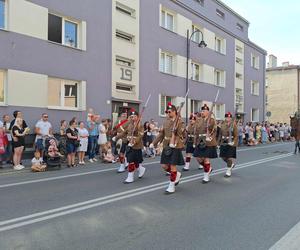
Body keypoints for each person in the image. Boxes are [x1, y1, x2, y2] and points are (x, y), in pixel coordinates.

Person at [151, 102, 184, 194]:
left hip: (175, 146)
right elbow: (162, 134)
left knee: (173, 166)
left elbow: (180, 135)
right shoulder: (166, 121)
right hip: (166, 145)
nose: (168, 114)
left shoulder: (180, 122)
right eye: (167, 112)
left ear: (174, 112)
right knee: (164, 166)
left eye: (170, 112)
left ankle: (171, 185)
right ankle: (177, 174)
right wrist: (154, 143)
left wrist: (175, 141)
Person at [113, 109, 145, 184]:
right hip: (129, 145)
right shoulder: (130, 125)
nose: (133, 117)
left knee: (136, 162)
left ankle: (138, 171)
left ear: (137, 117)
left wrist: (134, 141)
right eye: (131, 116)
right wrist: (116, 137)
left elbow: (140, 135)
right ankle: (130, 176)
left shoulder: (140, 125)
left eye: (134, 116)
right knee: (130, 160)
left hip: (136, 146)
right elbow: (124, 132)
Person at [193, 104, 218, 184]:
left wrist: (210, 137)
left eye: (204, 111)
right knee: (198, 158)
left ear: (208, 112)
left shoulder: (211, 120)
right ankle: (208, 168)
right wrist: (195, 142)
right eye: (202, 111)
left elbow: (214, 129)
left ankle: (206, 176)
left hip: (208, 141)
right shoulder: (199, 120)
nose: (202, 112)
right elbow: (196, 132)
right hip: (200, 141)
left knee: (206, 159)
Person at [218, 112, 238, 177]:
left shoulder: (233, 124)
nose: (228, 118)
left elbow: (236, 135)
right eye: (227, 117)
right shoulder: (222, 124)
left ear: (231, 118)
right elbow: (220, 134)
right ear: (225, 118)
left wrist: (234, 142)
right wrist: (218, 143)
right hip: (223, 142)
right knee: (223, 157)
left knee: (229, 157)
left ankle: (228, 170)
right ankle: (231, 164)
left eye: (229, 117)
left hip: (231, 142)